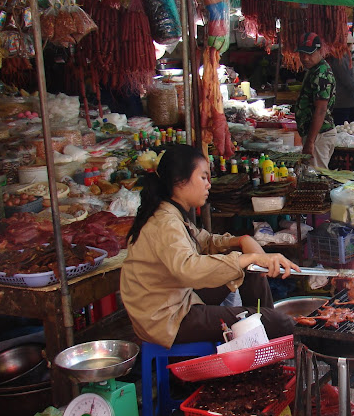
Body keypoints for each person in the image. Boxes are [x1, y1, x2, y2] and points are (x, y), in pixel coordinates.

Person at [120, 145, 299, 347]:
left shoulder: (173, 214)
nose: (208, 185)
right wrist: (249, 257)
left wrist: (242, 241)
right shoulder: (165, 222)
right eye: (203, 177)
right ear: (180, 181)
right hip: (168, 318)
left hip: (181, 299)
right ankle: (267, 328)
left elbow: (204, 240)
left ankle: (261, 330)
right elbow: (188, 269)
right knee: (281, 322)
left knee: (249, 270)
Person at [294, 32, 338, 169]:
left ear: (319, 51)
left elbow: (321, 109)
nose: (305, 58)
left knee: (316, 178)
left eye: (310, 54)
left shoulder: (321, 73)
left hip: (320, 135)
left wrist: (310, 142)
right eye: (302, 54)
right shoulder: (314, 70)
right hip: (317, 135)